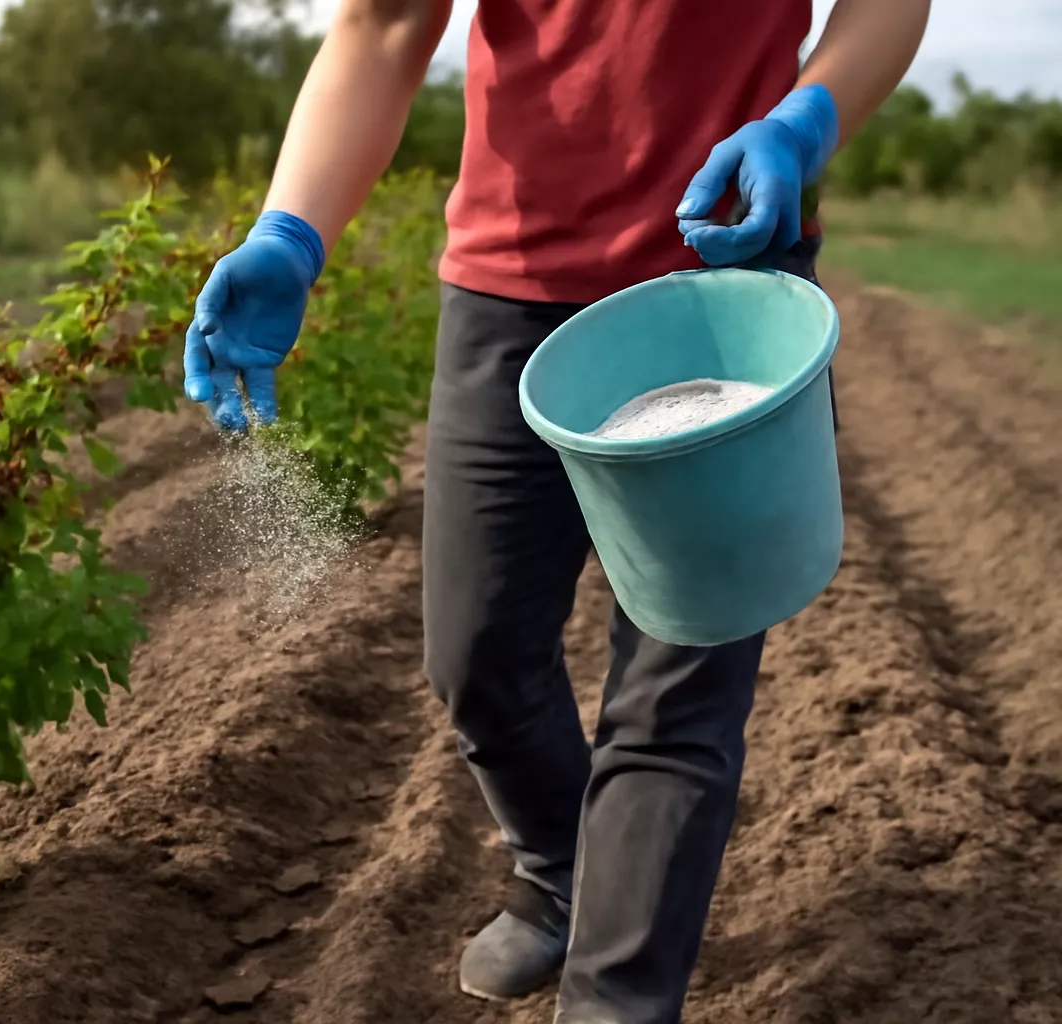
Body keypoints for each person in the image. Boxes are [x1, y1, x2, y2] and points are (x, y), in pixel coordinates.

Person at [181, 0, 930, 1019]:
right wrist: (291, 228)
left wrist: (807, 117)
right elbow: (383, 25)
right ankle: (568, 871)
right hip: (509, 288)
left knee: (676, 694)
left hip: (720, 281)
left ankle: (618, 997)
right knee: (477, 653)